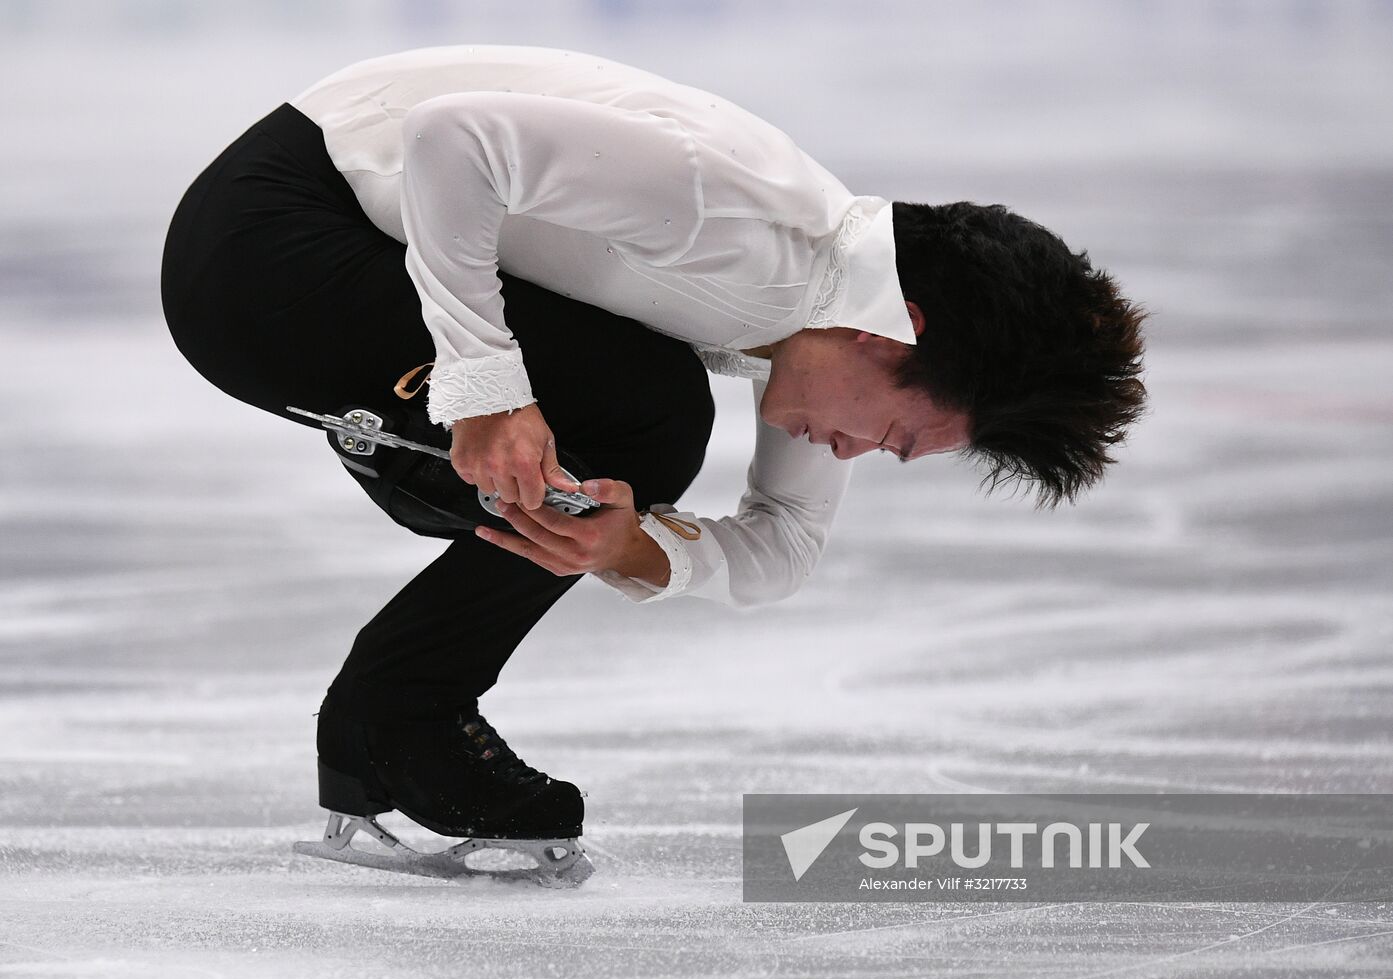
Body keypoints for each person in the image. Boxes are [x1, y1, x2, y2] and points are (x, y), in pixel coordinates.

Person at [160, 45, 1147, 884]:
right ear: (898, 334)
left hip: (328, 255)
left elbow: (786, 544)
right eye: (895, 435)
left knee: (636, 425)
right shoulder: (746, 220)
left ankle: (391, 718)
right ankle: (402, 718)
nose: (859, 453)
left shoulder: (822, 311)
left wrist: (632, 546)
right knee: (649, 412)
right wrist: (484, 386)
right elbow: (450, 139)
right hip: (264, 246)